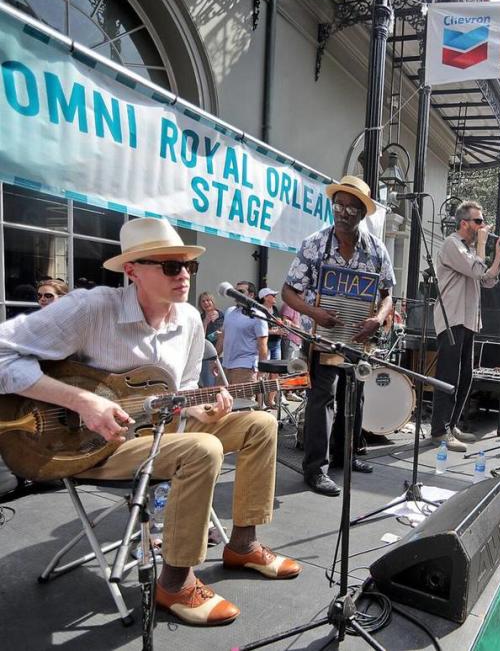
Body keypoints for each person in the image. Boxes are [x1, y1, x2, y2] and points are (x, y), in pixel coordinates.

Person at [0, 217, 300, 626]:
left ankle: (243, 544)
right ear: (132, 271)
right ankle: (175, 583)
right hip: (93, 445)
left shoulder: (191, 320)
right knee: (203, 449)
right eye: (171, 266)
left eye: (188, 267)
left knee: (260, 424)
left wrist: (203, 408)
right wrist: (82, 400)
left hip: (161, 431)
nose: (184, 277)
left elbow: (187, 388)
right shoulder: (91, 308)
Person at [282, 175, 395, 496]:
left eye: (351, 207)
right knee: (323, 398)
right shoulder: (315, 244)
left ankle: (346, 457)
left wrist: (377, 317)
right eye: (338, 205)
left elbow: (388, 294)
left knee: (354, 396)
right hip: (322, 336)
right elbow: (288, 292)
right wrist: (315, 312)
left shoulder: (376, 250)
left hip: (358, 336)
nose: (343, 212)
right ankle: (316, 468)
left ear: (363, 213)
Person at [429, 200, 500, 451]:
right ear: (464, 223)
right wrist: (484, 244)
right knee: (448, 375)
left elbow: (487, 281)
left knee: (465, 377)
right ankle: (439, 431)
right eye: (478, 221)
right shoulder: (453, 244)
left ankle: (450, 426)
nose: (482, 225)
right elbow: (477, 270)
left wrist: (499, 256)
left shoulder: (471, 250)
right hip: (453, 318)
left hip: (469, 319)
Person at [219, 283, 268, 387]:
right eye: (235, 291)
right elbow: (223, 337)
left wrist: (262, 370)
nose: (236, 294)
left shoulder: (258, 315)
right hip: (225, 366)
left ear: (251, 295)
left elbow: (262, 345)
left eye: (240, 292)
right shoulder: (229, 311)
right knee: (220, 402)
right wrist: (214, 359)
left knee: (243, 403)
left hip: (245, 367)